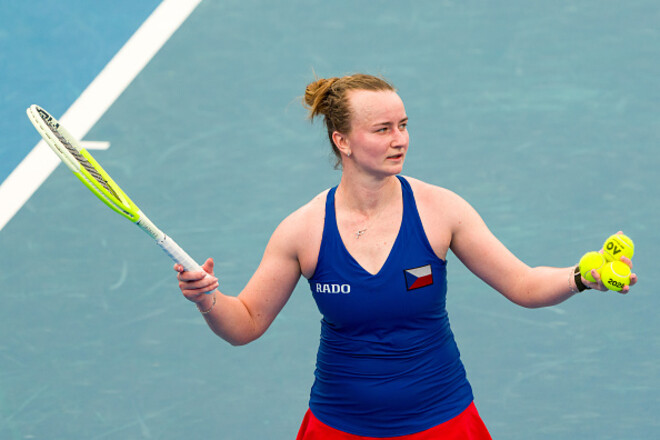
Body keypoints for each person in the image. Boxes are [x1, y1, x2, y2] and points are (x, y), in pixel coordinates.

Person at [174, 73, 638, 439]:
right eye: (382, 129)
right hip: (340, 425)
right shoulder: (303, 230)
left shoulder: (441, 211)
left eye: (403, 125)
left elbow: (523, 284)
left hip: (443, 421)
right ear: (342, 141)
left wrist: (582, 275)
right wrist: (206, 299)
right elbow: (246, 324)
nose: (400, 139)